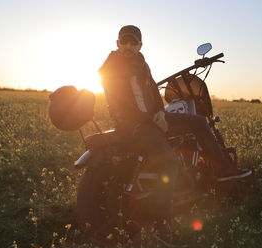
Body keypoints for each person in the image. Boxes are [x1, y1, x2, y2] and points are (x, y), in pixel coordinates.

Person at [98, 25, 251, 231]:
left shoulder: (141, 64)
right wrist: (150, 119)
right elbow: (122, 104)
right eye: (123, 41)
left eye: (133, 42)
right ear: (117, 44)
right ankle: (161, 219)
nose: (128, 45)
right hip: (133, 124)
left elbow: (152, 91)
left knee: (198, 122)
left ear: (140, 45)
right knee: (168, 162)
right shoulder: (113, 66)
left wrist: (160, 113)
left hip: (151, 119)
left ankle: (224, 171)